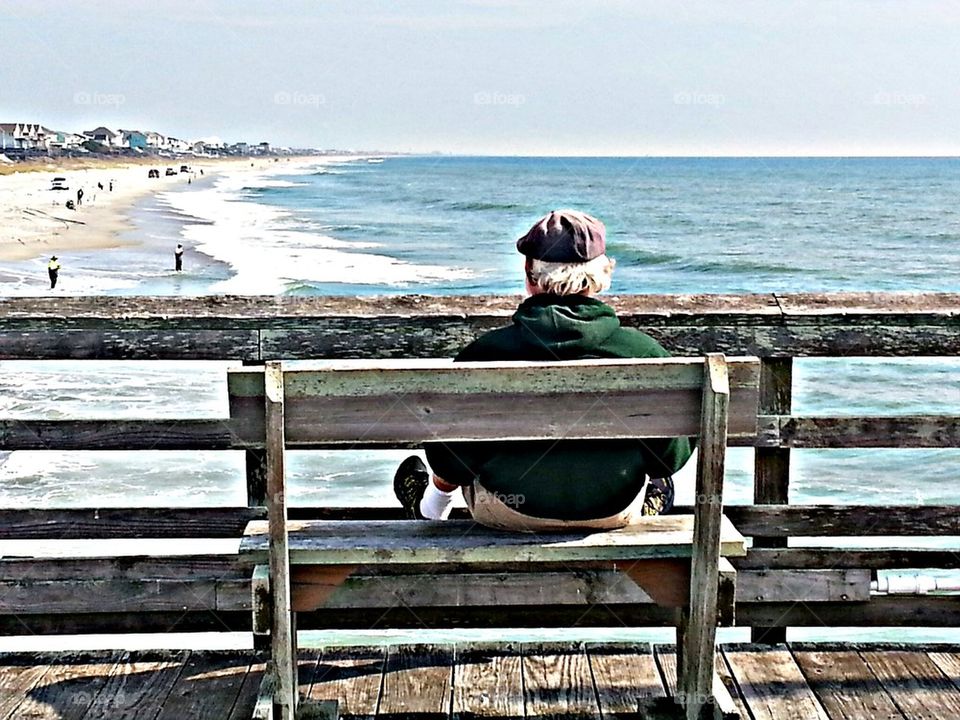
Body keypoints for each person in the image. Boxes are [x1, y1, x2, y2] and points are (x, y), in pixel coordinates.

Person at [393, 210, 694, 531]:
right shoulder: (643, 355)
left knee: (422, 472)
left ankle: (429, 510)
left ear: (529, 274)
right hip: (611, 512)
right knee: (661, 483)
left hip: (510, 512)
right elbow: (668, 460)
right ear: (602, 276)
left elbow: (449, 462)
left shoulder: (486, 354)